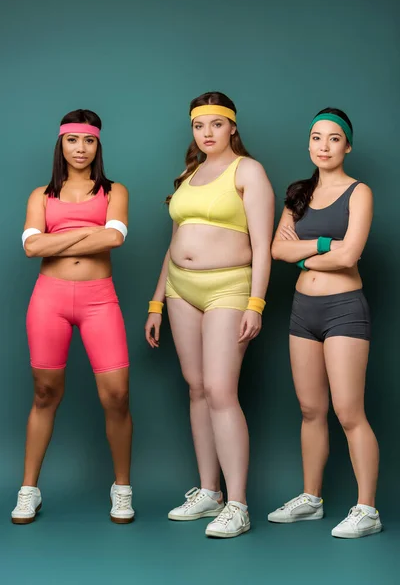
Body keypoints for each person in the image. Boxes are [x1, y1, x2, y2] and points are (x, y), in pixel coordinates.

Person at [145, 91, 274, 538]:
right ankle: (209, 492)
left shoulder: (249, 171)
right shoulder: (190, 174)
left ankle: (238, 504)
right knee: (197, 388)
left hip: (229, 287)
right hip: (181, 289)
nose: (207, 134)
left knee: (221, 390)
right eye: (200, 126)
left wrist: (256, 303)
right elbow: (175, 242)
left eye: (216, 125)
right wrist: (156, 300)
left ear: (233, 127)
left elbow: (263, 247)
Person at [12, 109, 134, 525]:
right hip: (50, 300)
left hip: (100, 300)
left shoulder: (115, 191)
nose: (80, 149)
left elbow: (115, 236)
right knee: (45, 393)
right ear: (61, 144)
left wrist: (57, 238)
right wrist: (88, 234)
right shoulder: (39, 195)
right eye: (72, 141)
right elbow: (31, 248)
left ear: (98, 145)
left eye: (89, 141)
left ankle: (122, 489)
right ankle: (29, 490)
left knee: (117, 394)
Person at [268, 108, 382, 539]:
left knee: (349, 412)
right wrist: (321, 245)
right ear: (309, 144)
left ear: (347, 145)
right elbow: (277, 249)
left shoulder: (359, 193)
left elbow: (349, 256)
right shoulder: (297, 192)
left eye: (334, 139)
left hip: (343, 310)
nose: (324, 146)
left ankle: (367, 509)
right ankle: (311, 499)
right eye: (317, 137)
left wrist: (305, 253)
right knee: (310, 410)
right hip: (303, 311)